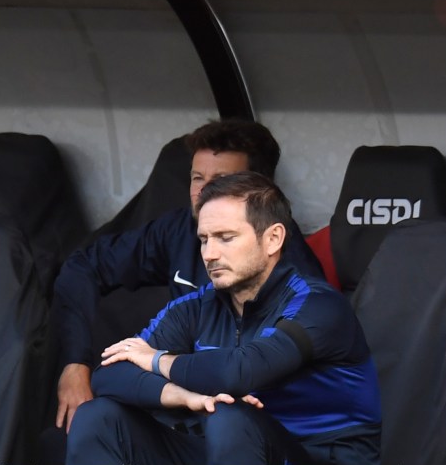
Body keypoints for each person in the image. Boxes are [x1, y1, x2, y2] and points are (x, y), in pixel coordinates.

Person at [65, 171, 382, 465]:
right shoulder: (196, 306)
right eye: (204, 240)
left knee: (228, 414)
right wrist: (187, 397)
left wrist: (157, 360)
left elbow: (239, 371)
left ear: (273, 239)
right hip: (229, 447)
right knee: (98, 416)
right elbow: (108, 374)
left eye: (225, 238)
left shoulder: (317, 304)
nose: (210, 253)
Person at [51, 120, 325, 438]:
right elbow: (84, 266)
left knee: (228, 421)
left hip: (256, 422)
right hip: (182, 409)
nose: (203, 193)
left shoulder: (299, 279)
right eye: (198, 178)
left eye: (221, 181)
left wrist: (160, 363)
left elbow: (254, 373)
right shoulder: (179, 232)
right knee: (95, 417)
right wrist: (75, 363)